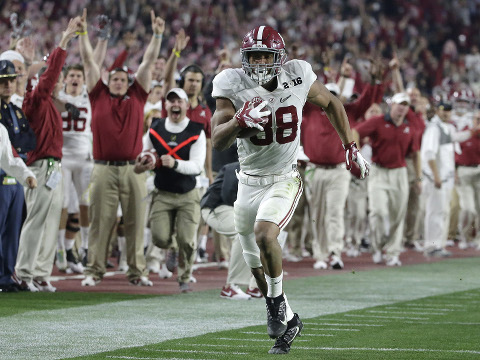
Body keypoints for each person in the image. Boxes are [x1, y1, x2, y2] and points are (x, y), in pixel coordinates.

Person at [211, 25, 369, 354]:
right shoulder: (231, 82)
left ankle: (273, 305)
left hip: (285, 177)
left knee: (265, 235)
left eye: (265, 56)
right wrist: (239, 121)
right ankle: (290, 316)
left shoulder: (297, 74)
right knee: (255, 263)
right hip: (247, 181)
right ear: (243, 58)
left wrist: (349, 147)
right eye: (252, 56)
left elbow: (332, 104)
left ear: (278, 57)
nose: (258, 63)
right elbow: (218, 137)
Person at [77, 9, 164, 287]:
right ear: (107, 81)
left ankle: (137, 272)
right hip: (102, 169)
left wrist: (158, 35)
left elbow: (149, 61)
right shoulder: (97, 94)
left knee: (136, 223)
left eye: (122, 79)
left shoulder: (137, 95)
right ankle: (94, 271)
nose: (118, 82)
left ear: (128, 83)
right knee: (100, 223)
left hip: (133, 168)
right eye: (114, 78)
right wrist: (81, 34)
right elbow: (88, 61)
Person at [14, 17, 81, 293]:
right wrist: (64, 40)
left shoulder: (51, 105)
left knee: (52, 221)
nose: (59, 81)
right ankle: (23, 272)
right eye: (56, 78)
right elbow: (50, 74)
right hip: (40, 166)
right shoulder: (35, 100)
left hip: (55, 168)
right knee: (35, 221)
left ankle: (41, 273)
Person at [301, 60, 383, 270]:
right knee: (317, 214)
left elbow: (368, 102)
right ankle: (319, 254)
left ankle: (335, 252)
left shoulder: (346, 112)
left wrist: (375, 81)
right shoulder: (309, 111)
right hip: (314, 169)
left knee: (335, 212)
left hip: (338, 170)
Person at [134, 88, 206, 293]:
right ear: (165, 106)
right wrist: (144, 162)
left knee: (188, 241)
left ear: (186, 105)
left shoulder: (196, 130)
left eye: (179, 101)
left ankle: (184, 277)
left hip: (188, 193)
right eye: (171, 101)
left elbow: (196, 166)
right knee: (158, 238)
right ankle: (172, 247)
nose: (175, 104)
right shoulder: (155, 127)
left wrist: (174, 163)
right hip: (163, 192)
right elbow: (144, 153)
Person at [352, 93, 422, 267]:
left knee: (398, 215)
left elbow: (415, 154)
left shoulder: (409, 126)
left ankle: (392, 252)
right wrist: (357, 151)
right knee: (378, 212)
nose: (402, 107)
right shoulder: (378, 121)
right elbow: (355, 131)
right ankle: (376, 248)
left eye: (405, 105)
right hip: (379, 171)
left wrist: (419, 177)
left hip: (400, 172)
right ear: (392, 105)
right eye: (400, 104)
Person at [421, 101, 478, 257]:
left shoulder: (446, 127)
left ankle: (437, 244)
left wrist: (472, 131)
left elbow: (456, 137)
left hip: (445, 178)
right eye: (443, 110)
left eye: (448, 111)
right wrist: (436, 176)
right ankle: (431, 246)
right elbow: (429, 154)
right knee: (435, 211)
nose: (446, 113)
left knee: (442, 212)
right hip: (436, 178)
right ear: (437, 111)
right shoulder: (434, 128)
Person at [0, 60, 37, 293]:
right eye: (3, 81)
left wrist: (26, 174)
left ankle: (6, 276)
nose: (7, 85)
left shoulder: (14, 112)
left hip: (12, 174)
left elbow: (25, 143)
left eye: (11, 80)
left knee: (12, 230)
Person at [200, 161, 260, 300]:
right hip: (216, 207)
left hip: (235, 207)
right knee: (244, 232)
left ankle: (256, 287)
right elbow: (228, 196)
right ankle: (230, 287)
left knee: (271, 231)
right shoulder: (238, 169)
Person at [56, 64, 93, 273]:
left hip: (85, 157)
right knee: (63, 204)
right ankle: (61, 250)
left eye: (79, 75)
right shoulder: (58, 96)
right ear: (65, 78)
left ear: (84, 79)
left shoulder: (89, 97)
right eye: (72, 75)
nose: (75, 78)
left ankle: (84, 247)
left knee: (84, 203)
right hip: (63, 157)